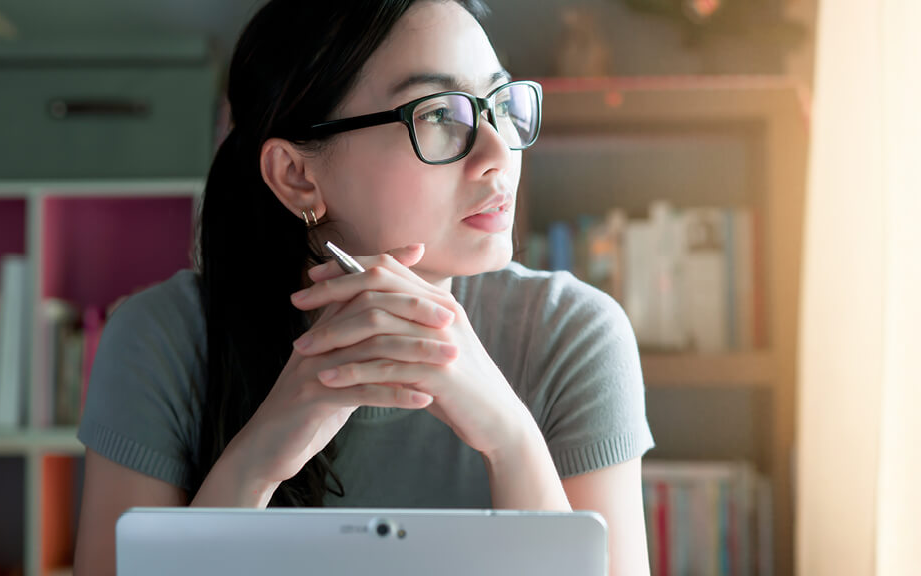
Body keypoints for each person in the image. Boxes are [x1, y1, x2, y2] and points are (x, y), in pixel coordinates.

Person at [73, 0, 655, 574]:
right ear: (297, 176)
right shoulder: (163, 341)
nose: (498, 152)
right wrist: (255, 462)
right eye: (437, 114)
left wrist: (510, 439)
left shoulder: (571, 333)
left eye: (499, 103)